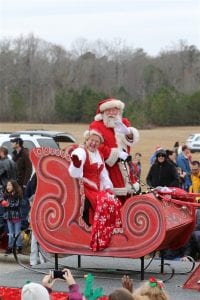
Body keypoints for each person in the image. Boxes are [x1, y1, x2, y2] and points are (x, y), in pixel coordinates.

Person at [68, 129, 122, 251]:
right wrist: (77, 163)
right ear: (87, 140)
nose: (94, 143)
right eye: (92, 140)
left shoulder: (99, 155)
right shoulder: (81, 151)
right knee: (102, 203)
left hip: (97, 188)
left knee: (113, 201)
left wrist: (108, 188)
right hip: (85, 186)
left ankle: (110, 232)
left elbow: (103, 174)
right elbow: (75, 170)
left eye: (97, 141)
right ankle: (95, 232)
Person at [89, 98, 140, 202]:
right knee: (113, 197)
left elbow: (130, 140)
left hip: (126, 167)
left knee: (130, 197)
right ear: (103, 112)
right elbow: (95, 145)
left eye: (114, 110)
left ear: (119, 111)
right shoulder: (96, 125)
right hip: (109, 168)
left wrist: (129, 133)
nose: (112, 113)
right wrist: (115, 155)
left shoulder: (124, 122)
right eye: (108, 110)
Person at [0, 179, 23, 255]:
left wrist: (7, 204)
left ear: (14, 186)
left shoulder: (18, 195)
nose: (8, 187)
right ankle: (10, 247)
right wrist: (2, 201)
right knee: (10, 233)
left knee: (17, 233)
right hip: (8, 217)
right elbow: (1, 198)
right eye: (7, 185)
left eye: (10, 185)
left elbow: (17, 204)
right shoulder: (5, 194)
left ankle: (19, 247)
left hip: (16, 217)